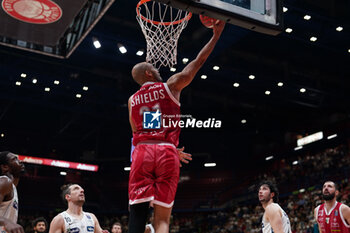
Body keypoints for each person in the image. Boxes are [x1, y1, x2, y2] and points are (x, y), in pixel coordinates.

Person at [128, 19, 225, 233]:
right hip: (166, 153)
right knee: (162, 220)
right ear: (148, 73)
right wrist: (215, 36)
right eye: (153, 67)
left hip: (143, 151)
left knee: (137, 212)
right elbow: (197, 62)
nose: (156, 68)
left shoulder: (132, 100)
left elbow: (137, 130)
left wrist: (154, 144)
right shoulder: (171, 85)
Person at [0, 151, 25, 233]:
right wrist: (6, 222)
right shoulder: (4, 181)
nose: (20, 161)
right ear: (5, 167)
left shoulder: (12, 185)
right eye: (15, 159)